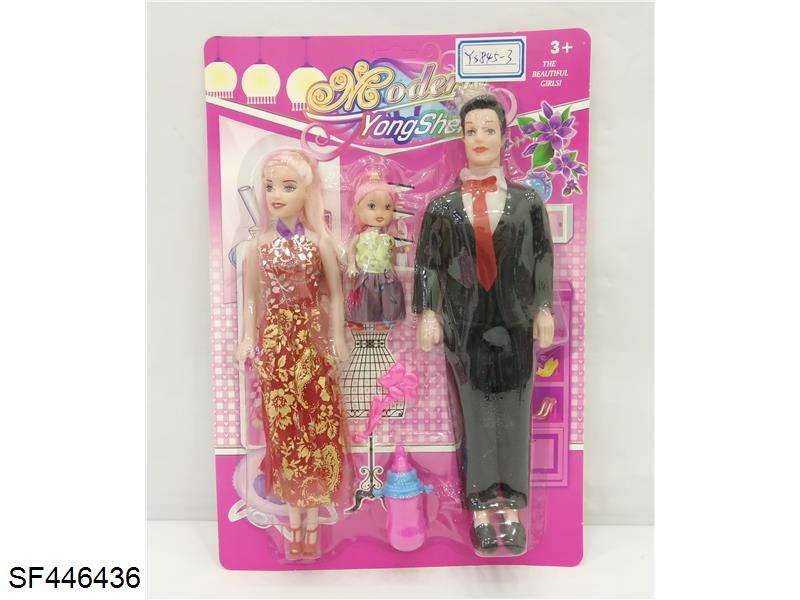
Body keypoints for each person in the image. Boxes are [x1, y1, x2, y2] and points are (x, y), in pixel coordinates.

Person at [412, 95, 555, 556]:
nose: (479, 138)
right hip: (464, 324)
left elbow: (542, 258)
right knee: (473, 413)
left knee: (514, 410)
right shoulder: (443, 208)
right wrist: (429, 312)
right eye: (471, 130)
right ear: (462, 136)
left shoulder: (526, 203)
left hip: (515, 321)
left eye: (488, 129)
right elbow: (428, 264)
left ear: (503, 137)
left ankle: (511, 511)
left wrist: (544, 308)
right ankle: (479, 509)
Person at [235, 149, 350, 561]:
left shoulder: (319, 244)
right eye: (269, 187)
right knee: (284, 432)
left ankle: (312, 526)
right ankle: (294, 524)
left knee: (317, 428)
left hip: (313, 343)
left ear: (307, 191)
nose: (275, 195)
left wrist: (337, 339)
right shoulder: (258, 247)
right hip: (276, 347)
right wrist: (246, 338)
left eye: (287, 186)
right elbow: (251, 299)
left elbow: (336, 295)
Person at [345, 172, 406, 329]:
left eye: (387, 207)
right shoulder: (359, 237)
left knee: (386, 297)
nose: (380, 213)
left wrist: (393, 269)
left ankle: (384, 320)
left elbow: (391, 257)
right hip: (365, 275)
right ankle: (358, 319)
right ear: (358, 209)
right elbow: (352, 252)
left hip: (385, 275)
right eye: (372, 206)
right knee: (364, 298)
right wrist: (351, 265)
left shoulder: (388, 238)